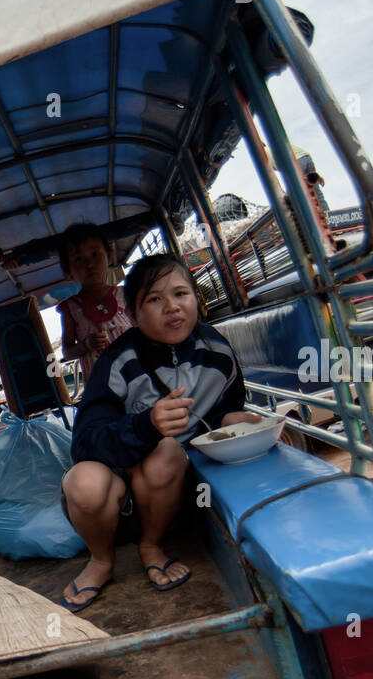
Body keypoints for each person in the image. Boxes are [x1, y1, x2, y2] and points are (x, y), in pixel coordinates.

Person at [60, 253, 261, 612]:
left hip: (180, 495)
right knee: (82, 482)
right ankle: (102, 560)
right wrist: (146, 425)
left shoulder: (218, 351)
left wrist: (230, 421)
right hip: (117, 505)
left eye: (181, 294)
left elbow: (223, 410)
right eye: (154, 299)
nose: (172, 307)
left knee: (168, 451)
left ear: (195, 299)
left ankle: (151, 546)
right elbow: (85, 442)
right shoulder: (117, 362)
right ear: (134, 315)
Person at [57, 223, 134, 386]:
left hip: (137, 374)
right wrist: (86, 345)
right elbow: (68, 351)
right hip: (101, 384)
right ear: (68, 269)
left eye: (94, 254)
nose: (89, 264)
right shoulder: (70, 308)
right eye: (78, 259)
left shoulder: (125, 294)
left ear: (109, 256)